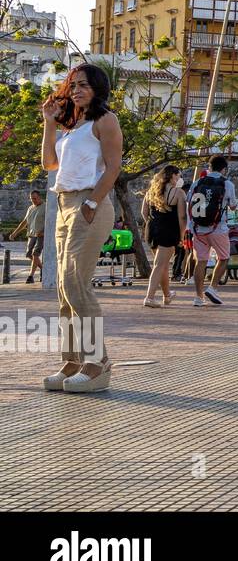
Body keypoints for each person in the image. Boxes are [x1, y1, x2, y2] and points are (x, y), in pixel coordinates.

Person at [40, 62, 122, 393]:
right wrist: (49, 123)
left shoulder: (106, 120)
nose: (76, 90)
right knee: (64, 288)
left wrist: (91, 204)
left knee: (77, 284)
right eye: (72, 85)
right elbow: (49, 163)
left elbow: (114, 166)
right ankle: (73, 361)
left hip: (90, 203)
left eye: (83, 84)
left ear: (98, 87)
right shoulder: (75, 126)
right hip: (63, 204)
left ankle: (97, 362)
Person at [186, 154, 237, 305]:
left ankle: (198, 297)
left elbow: (189, 201)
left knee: (200, 261)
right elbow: (232, 205)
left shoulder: (197, 183)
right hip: (218, 228)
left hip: (199, 229)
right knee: (223, 258)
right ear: (224, 169)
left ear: (209, 167)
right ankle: (213, 287)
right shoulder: (227, 184)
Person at [141, 165, 185, 307]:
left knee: (163, 265)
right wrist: (182, 236)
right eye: (179, 175)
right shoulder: (178, 193)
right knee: (159, 265)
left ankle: (167, 295)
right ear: (173, 176)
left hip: (152, 229)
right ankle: (149, 297)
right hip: (169, 231)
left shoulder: (151, 192)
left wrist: (152, 222)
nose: (180, 179)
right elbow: (182, 217)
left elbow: (144, 212)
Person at [8, 190, 46, 284]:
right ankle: (44, 269)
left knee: (35, 254)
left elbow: (51, 221)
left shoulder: (46, 207)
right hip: (31, 235)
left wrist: (44, 232)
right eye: (31, 199)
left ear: (39, 197)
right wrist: (14, 233)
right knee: (29, 254)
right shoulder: (30, 208)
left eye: (35, 198)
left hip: (41, 235)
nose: (33, 200)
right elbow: (24, 222)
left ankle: (30, 276)